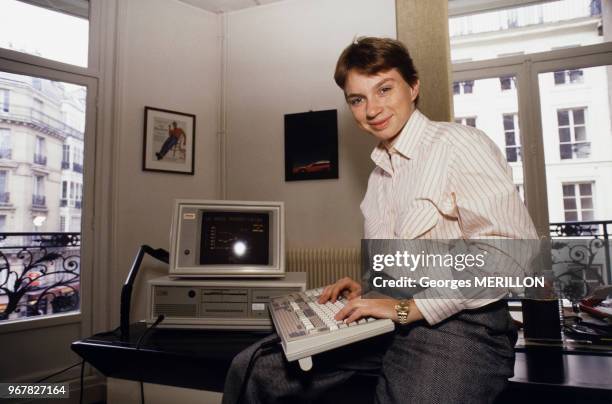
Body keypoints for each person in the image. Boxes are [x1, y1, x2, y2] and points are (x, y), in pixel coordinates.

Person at [222, 37, 537, 404]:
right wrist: (372, 290)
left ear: (413, 86)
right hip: (393, 321)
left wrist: (409, 308)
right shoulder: (378, 177)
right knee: (253, 369)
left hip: (463, 329)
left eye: (384, 89)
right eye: (358, 99)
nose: (372, 109)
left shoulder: (459, 145)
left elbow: (513, 253)